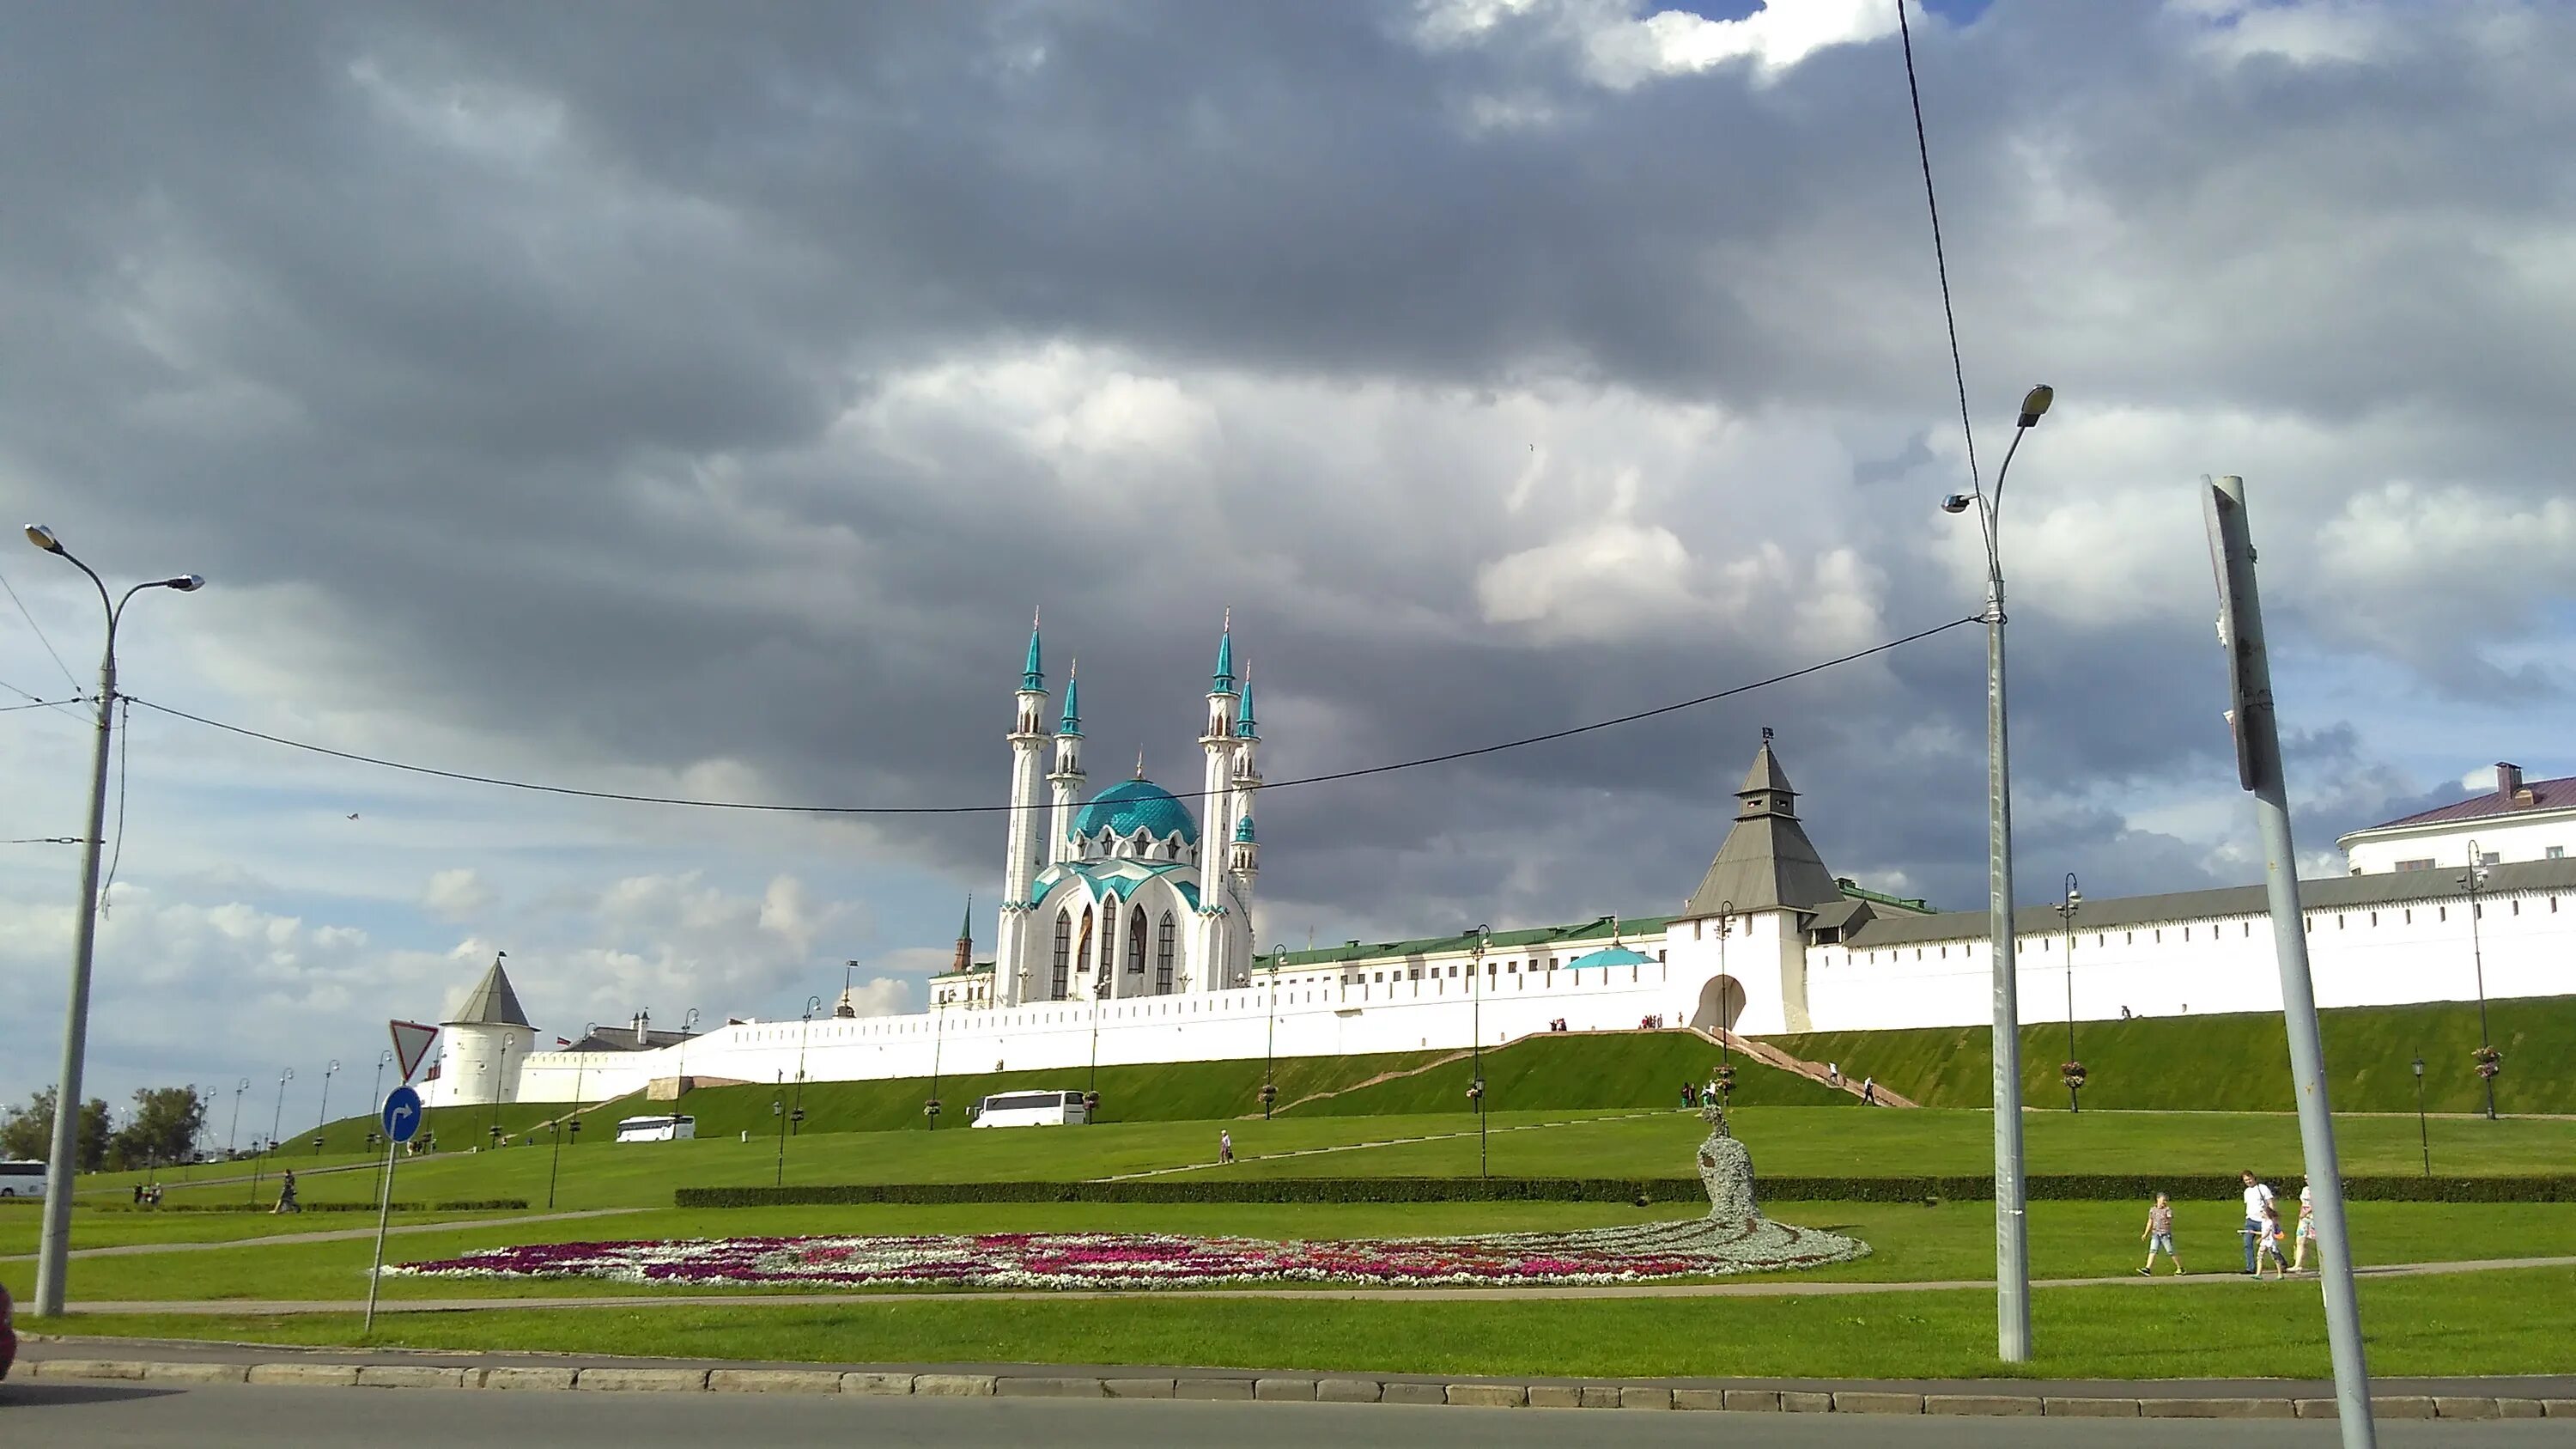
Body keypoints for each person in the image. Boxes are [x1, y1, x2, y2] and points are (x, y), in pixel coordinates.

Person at [2239, 1170, 2275, 1275]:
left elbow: (2270, 1202)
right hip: (2250, 1220)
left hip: (2263, 1220)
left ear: (2254, 1178)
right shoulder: (2247, 1192)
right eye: (2246, 1180)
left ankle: (2281, 1263)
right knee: (2247, 1243)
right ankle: (2250, 1267)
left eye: (2249, 1179)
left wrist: (2271, 1217)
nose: (2248, 1181)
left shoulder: (2262, 1188)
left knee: (2269, 1244)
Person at [2138, 1192, 2183, 1275]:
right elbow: (2150, 1222)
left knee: (2170, 1251)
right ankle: (2147, 1268)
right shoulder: (2153, 1210)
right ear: (2158, 1199)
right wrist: (2145, 1233)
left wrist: (2168, 1217)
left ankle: (2180, 1268)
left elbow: (2170, 1218)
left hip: (2165, 1235)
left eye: (2166, 1200)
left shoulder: (2167, 1210)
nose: (2165, 1202)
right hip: (2155, 1234)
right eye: (2163, 1200)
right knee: (2153, 1251)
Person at [2256, 1202, 2289, 1279]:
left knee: (2275, 1258)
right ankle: (2258, 1274)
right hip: (2264, 1242)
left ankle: (2280, 1274)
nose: (2262, 1214)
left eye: (2263, 1212)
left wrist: (2260, 1239)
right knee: (2260, 1257)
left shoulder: (2270, 1223)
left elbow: (2268, 1233)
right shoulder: (2263, 1222)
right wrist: (2253, 1232)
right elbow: (2264, 1232)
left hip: (2270, 1242)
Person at [2292, 1178, 2317, 1272]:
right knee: (2300, 1240)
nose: (2307, 1180)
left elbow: (2317, 1203)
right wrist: (2301, 1214)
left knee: (2319, 1242)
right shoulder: (2305, 1189)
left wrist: (2306, 1212)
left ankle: (2325, 1265)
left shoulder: (2318, 1189)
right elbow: (2303, 1204)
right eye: (2306, 1179)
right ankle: (2298, 1265)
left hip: (2314, 1218)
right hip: (2304, 1218)